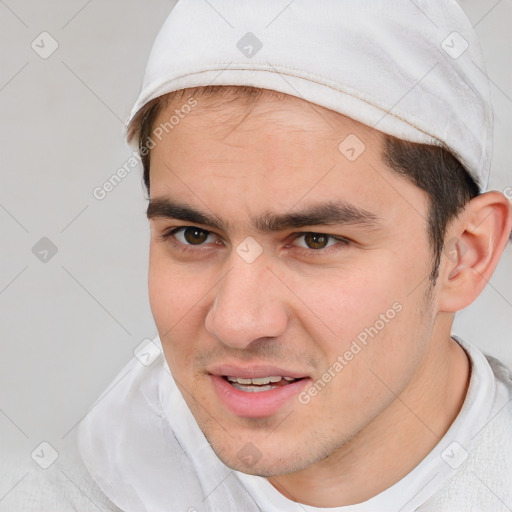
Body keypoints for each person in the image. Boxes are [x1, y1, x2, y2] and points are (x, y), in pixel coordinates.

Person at [78, 0, 512, 510]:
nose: (237, 323)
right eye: (194, 235)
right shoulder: (92, 474)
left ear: (464, 255)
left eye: (314, 240)